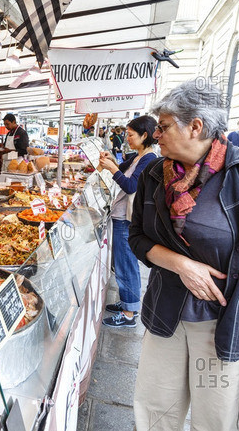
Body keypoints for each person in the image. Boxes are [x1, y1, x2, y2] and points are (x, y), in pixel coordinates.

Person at [129, 80, 239, 430]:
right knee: (155, 411)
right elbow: (137, 238)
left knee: (215, 419)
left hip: (224, 323)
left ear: (196, 126)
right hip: (166, 315)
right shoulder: (152, 175)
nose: (156, 135)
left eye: (163, 127)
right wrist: (182, 264)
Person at [99, 115, 158, 328]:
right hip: (120, 215)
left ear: (145, 135)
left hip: (127, 219)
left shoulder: (149, 159)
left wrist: (112, 169)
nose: (127, 138)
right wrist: (111, 162)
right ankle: (127, 302)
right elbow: (121, 168)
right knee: (122, 263)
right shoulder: (138, 156)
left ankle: (129, 313)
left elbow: (131, 185)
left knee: (127, 265)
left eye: (131, 135)